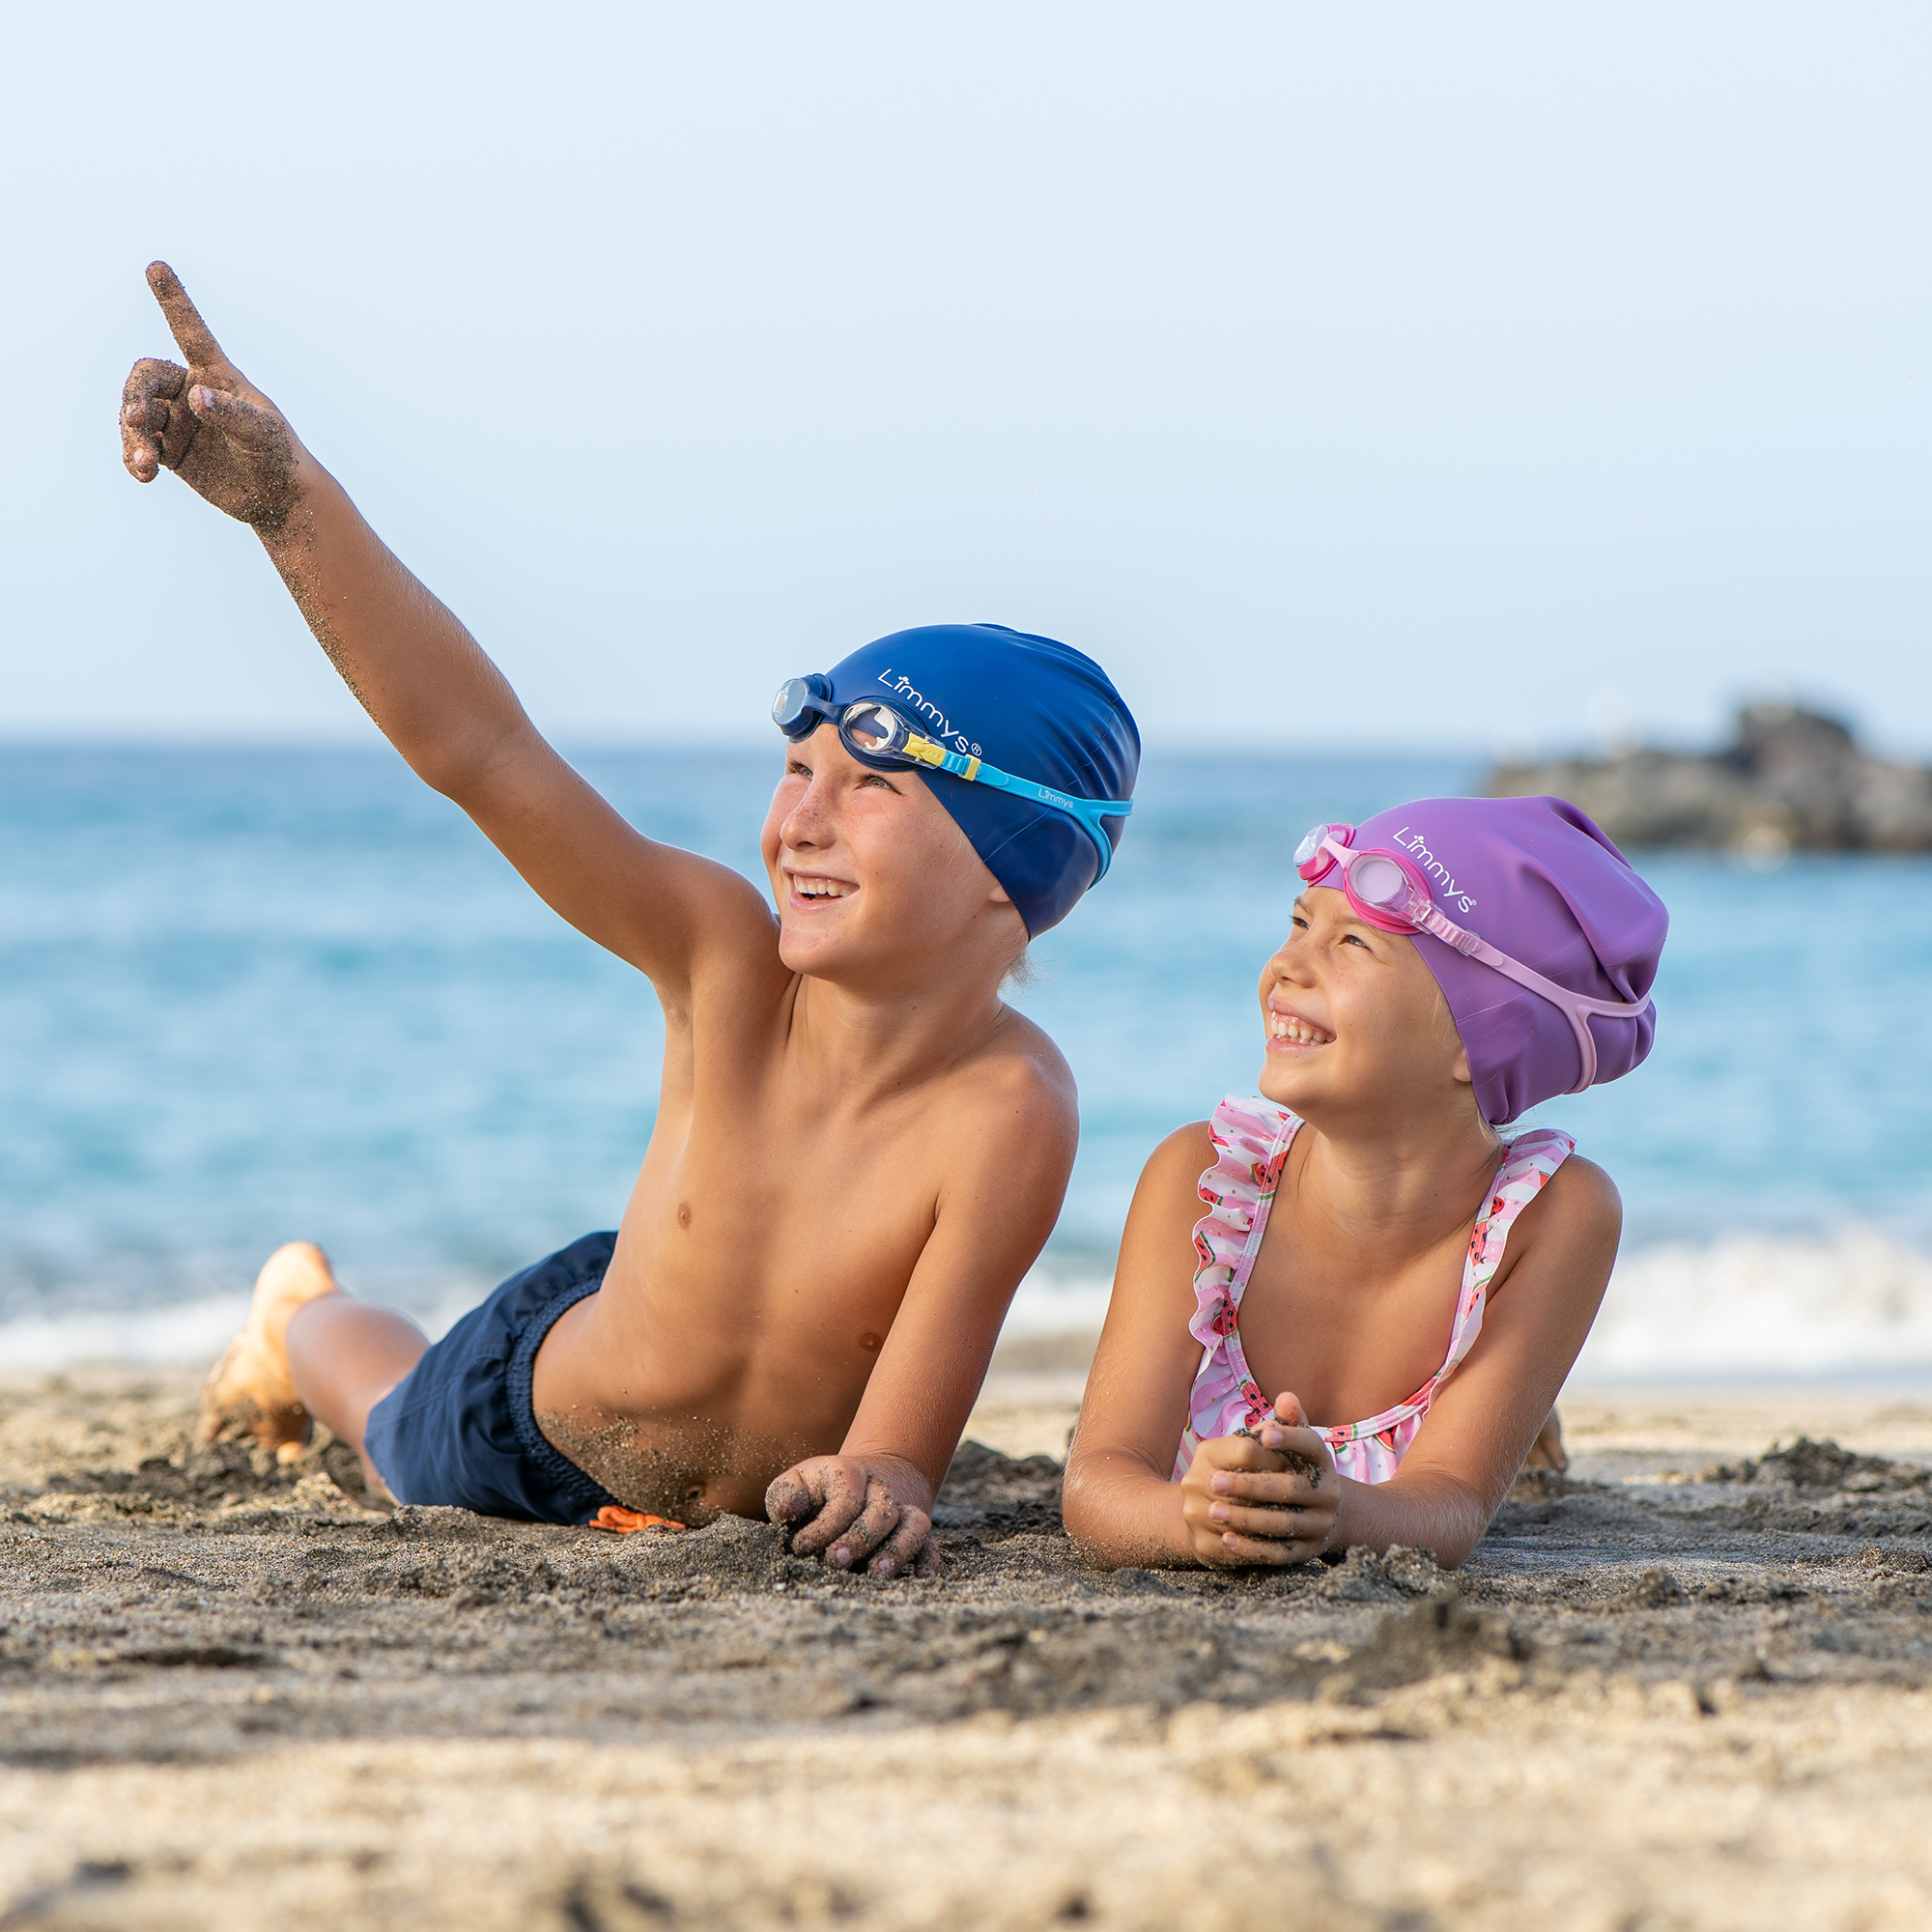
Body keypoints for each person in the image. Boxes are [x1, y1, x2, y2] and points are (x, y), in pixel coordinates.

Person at [119, 262, 1138, 1577]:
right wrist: (287, 504)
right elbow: (482, 752)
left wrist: (883, 1478)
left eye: (870, 784)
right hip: (537, 1419)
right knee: (383, 1427)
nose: (800, 820)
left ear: (1016, 868)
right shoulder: (725, 963)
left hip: (682, 1414)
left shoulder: (1010, 1109)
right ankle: (296, 1311)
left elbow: (902, 1441)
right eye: (795, 771)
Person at [1062, 796, 1665, 1571]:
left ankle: (1518, 1413)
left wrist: (1337, 1511)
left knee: (1496, 1423)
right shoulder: (1203, 1184)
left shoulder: (1554, 1217)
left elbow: (1449, 1503)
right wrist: (1194, 1519)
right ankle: (1523, 1416)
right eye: (1298, 923)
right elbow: (1097, 1483)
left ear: (1487, 1038)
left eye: (1352, 941)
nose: (1287, 965)